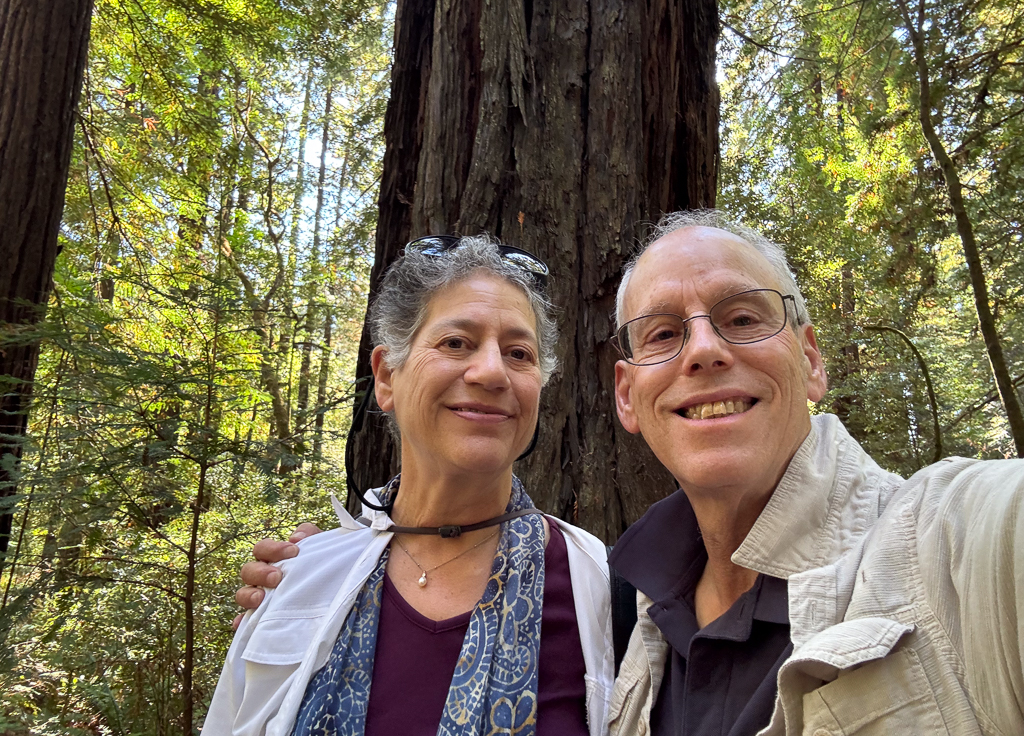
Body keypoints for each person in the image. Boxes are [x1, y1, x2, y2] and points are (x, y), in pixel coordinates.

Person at [243, 211, 1024, 735]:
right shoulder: (648, 616)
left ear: (812, 360)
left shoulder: (956, 546)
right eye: (455, 344)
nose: (703, 350)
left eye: (744, 317)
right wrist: (285, 591)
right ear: (627, 394)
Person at [206, 234, 613, 736]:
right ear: (386, 377)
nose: (492, 372)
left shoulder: (597, 584)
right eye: (456, 343)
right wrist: (299, 585)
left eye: (519, 353)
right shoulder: (299, 579)